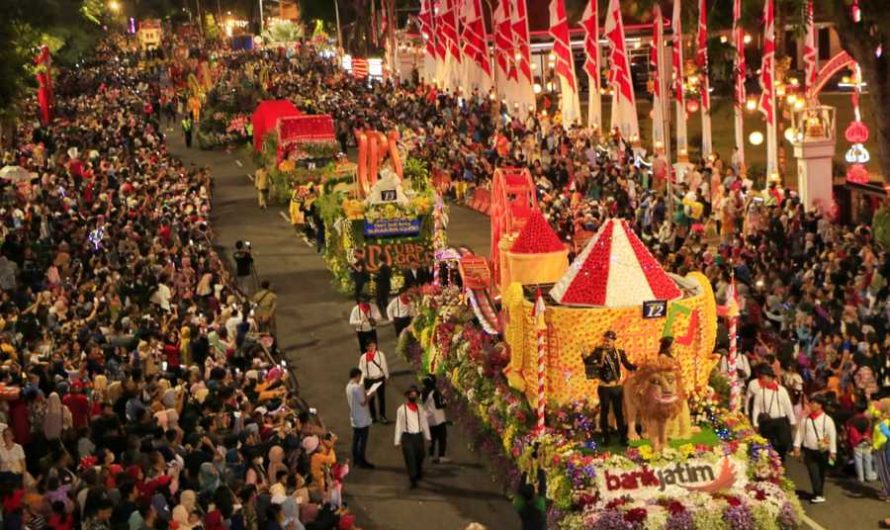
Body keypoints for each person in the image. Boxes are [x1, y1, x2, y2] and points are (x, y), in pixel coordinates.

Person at [583, 330, 636, 445]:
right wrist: (585, 355)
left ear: (613, 341)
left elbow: (628, 365)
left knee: (618, 413)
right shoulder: (598, 352)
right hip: (604, 388)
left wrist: (638, 366)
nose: (606, 343)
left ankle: (623, 437)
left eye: (609, 341)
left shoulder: (620, 353)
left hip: (616, 388)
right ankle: (606, 438)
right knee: (604, 412)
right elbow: (589, 362)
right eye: (605, 340)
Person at [793, 395, 837, 504]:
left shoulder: (827, 420)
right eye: (811, 403)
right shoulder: (805, 420)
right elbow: (800, 433)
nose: (811, 405)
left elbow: (832, 435)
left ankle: (819, 492)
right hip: (809, 450)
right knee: (813, 472)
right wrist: (797, 446)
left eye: (814, 403)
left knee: (821, 473)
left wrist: (833, 451)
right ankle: (817, 494)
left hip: (823, 450)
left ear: (820, 405)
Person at [752, 365, 797, 460]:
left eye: (763, 377)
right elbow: (756, 408)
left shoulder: (782, 390)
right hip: (766, 422)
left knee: (783, 443)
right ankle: (773, 462)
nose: (762, 379)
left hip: (780, 421)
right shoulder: (760, 392)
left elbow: (788, 406)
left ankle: (781, 458)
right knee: (769, 444)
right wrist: (755, 423)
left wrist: (792, 421)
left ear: (770, 377)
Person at [394, 385, 430, 488]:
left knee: (420, 455)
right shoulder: (401, 410)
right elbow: (399, 425)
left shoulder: (420, 408)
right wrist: (397, 441)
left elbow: (424, 422)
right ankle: (413, 478)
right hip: (407, 436)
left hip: (418, 435)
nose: (413, 395)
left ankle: (418, 470)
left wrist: (428, 436)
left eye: (415, 394)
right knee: (410, 457)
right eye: (411, 393)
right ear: (408, 395)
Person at [346, 367, 375, 469]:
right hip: (362, 418)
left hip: (354, 417)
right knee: (362, 441)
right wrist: (371, 394)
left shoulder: (348, 387)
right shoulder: (356, 388)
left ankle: (355, 459)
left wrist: (365, 392)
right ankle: (362, 461)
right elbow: (363, 402)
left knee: (356, 439)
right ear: (357, 376)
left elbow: (358, 396)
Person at [358, 341, 389, 423]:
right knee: (371, 399)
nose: (372, 348)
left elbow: (384, 366)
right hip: (369, 380)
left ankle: (382, 416)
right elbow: (361, 370)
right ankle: (373, 416)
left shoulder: (380, 355)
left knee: (381, 398)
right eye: (369, 346)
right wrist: (361, 382)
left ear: (375, 346)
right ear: (366, 347)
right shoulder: (363, 357)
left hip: (379, 378)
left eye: (373, 346)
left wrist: (386, 377)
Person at [846, 401, 878, 483]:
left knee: (858, 460)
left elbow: (848, 429)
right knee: (867, 459)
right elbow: (870, 429)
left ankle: (860, 477)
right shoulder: (867, 419)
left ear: (856, 409)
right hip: (867, 441)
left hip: (856, 441)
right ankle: (868, 475)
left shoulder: (852, 420)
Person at [422, 374, 450, 463]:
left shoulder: (423, 392)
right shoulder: (435, 392)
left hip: (428, 419)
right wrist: (445, 399)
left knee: (432, 438)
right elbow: (440, 405)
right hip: (438, 419)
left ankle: (431, 455)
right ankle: (441, 456)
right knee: (442, 437)